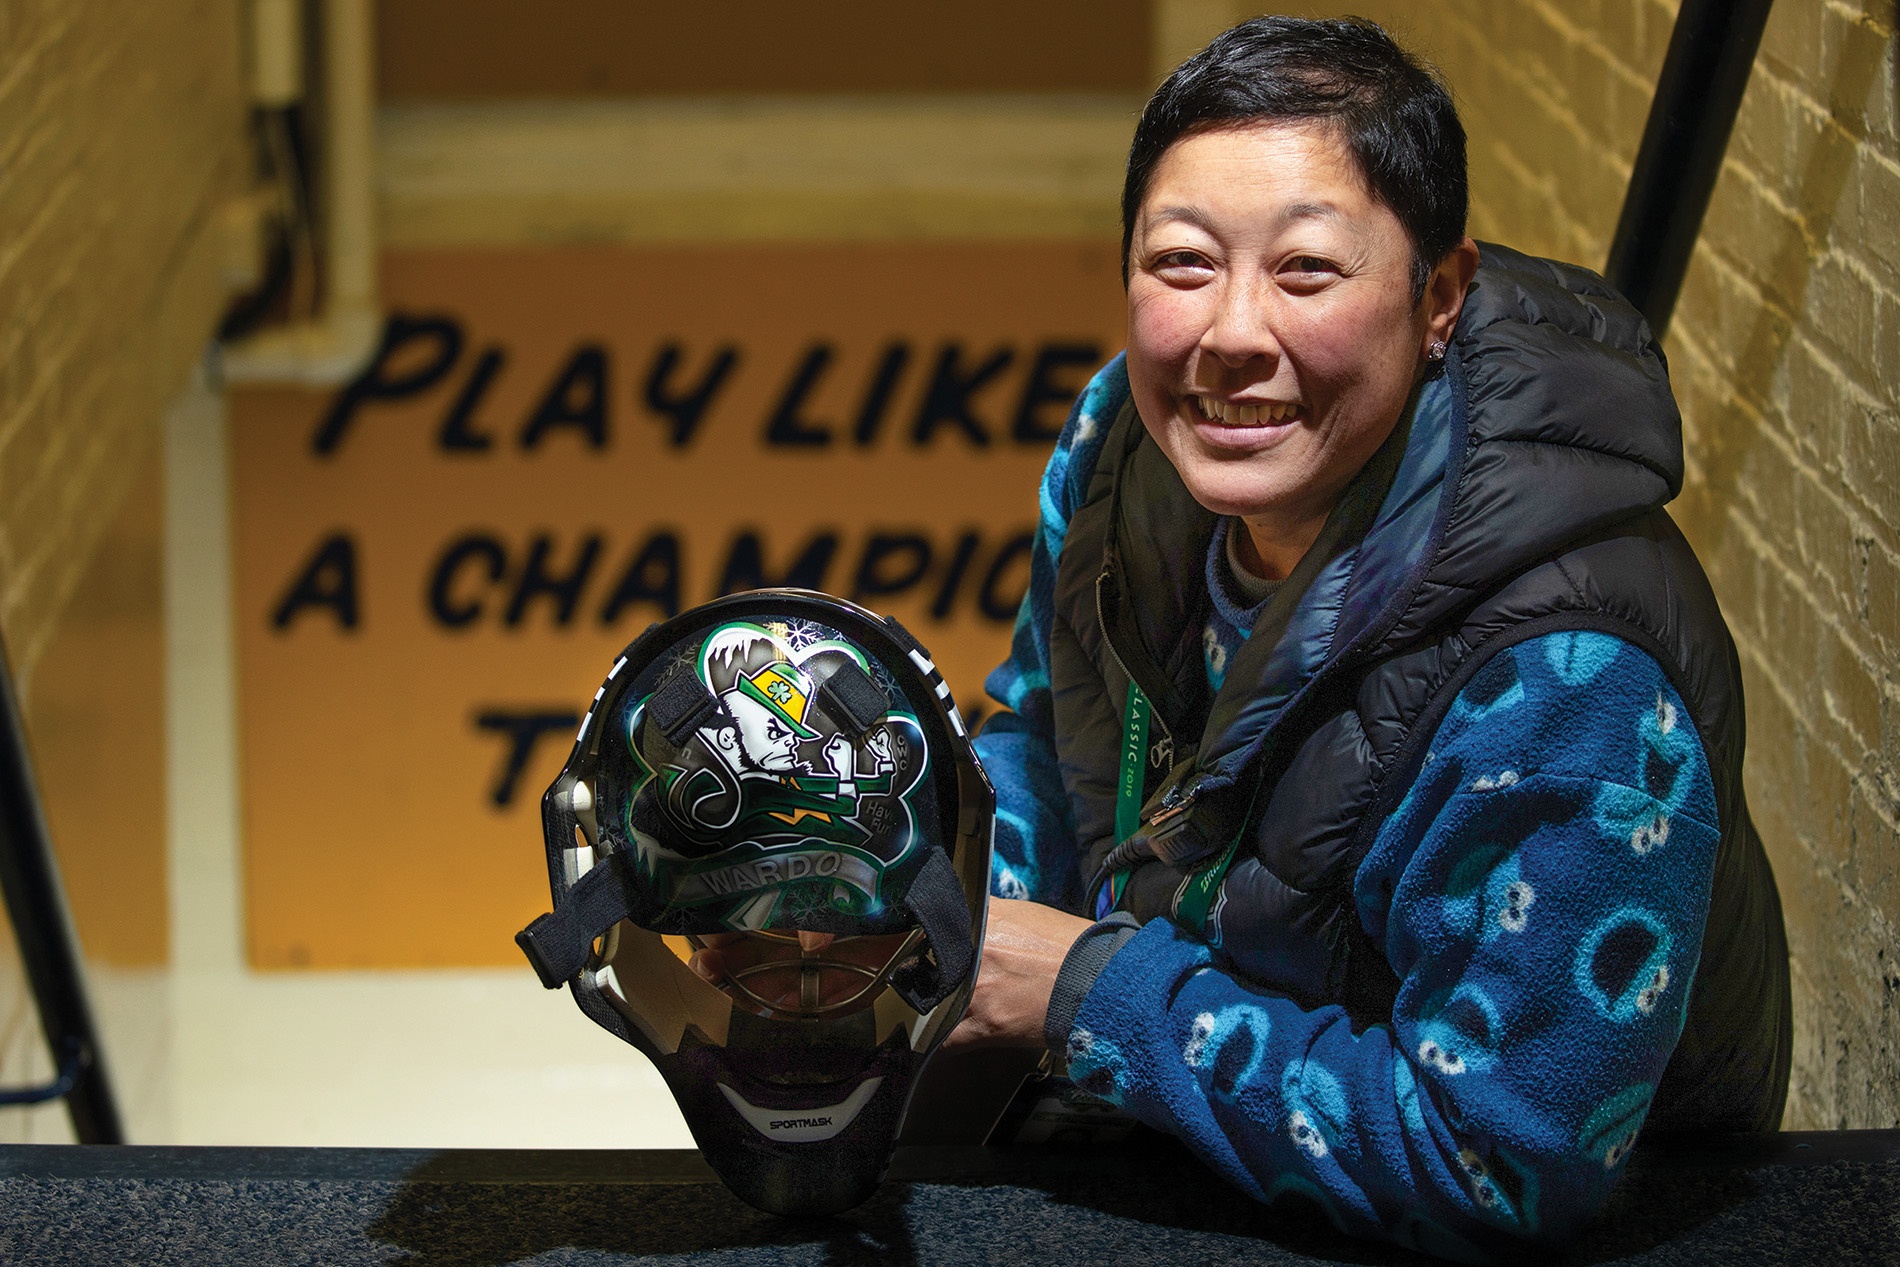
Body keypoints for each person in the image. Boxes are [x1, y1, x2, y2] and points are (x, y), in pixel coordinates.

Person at [950, 15, 1792, 1259]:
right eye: (1181, 262)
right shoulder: (1123, 456)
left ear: (1436, 296)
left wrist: (1085, 994)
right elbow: (1041, 719)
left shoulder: (1573, 679)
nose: (1230, 335)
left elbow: (1500, 1161)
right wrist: (944, 899)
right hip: (1191, 1117)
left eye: (1304, 272)